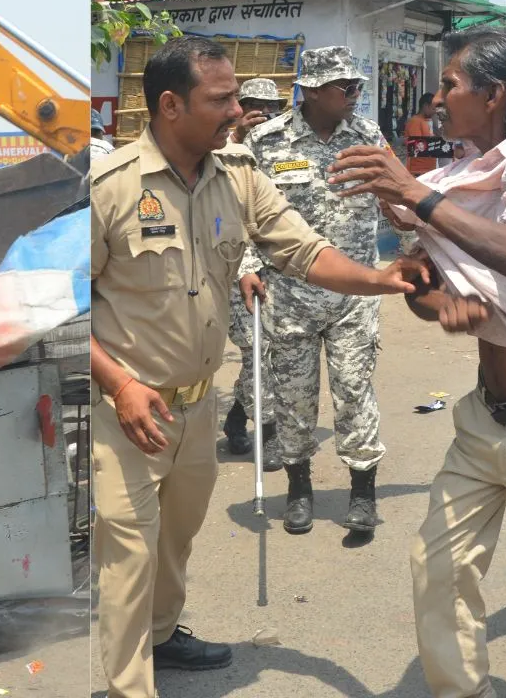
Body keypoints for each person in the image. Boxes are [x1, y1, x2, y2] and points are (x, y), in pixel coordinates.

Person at [90, 35, 426, 698]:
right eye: (221, 100)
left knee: (176, 542)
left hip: (195, 404)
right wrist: (120, 384)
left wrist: (380, 280)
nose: (238, 111)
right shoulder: (110, 187)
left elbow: (303, 250)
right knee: (129, 557)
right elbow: (71, 313)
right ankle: (132, 686)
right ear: (169, 106)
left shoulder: (238, 174)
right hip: (127, 409)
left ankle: (162, 636)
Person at [335, 25, 506, 696]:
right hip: (486, 421)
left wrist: (415, 192)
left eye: (452, 84)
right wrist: (433, 299)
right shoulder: (461, 176)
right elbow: (429, 288)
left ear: (495, 96)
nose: (438, 95)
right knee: (438, 566)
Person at [240, 45, 392, 536]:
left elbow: (396, 197)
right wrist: (247, 266)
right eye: (344, 87)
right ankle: (299, 490)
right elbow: (243, 211)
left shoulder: (368, 136)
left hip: (353, 297)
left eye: (358, 87)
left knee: (354, 394)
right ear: (309, 90)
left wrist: (418, 251)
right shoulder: (266, 141)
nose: (354, 95)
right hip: (288, 297)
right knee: (294, 399)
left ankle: (362, 495)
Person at [222, 77, 290, 460]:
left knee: (270, 353)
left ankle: (236, 417)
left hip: (279, 269)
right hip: (238, 270)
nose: (261, 115)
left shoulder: (283, 149)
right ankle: (268, 433)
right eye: (251, 107)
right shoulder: (223, 151)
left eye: (271, 108)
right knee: (256, 351)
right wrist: (239, 136)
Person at [229, 77, 287, 144]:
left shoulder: (289, 137)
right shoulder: (222, 139)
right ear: (241, 109)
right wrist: (238, 137)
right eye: (257, 104)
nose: (266, 111)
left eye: (272, 105)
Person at [404, 92, 439, 176]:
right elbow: (416, 147)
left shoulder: (425, 121)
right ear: (426, 106)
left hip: (427, 169)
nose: (435, 112)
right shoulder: (415, 121)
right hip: (418, 170)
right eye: (433, 109)